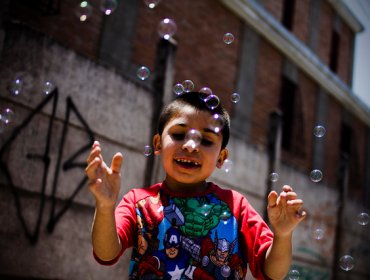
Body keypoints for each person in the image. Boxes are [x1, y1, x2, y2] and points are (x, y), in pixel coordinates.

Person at [85, 91, 306, 280]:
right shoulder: (138, 201)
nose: (191, 146)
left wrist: (283, 236)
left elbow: (274, 273)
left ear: (221, 158)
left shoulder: (235, 206)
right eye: (179, 134)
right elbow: (106, 253)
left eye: (207, 140)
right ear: (158, 144)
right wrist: (104, 207)